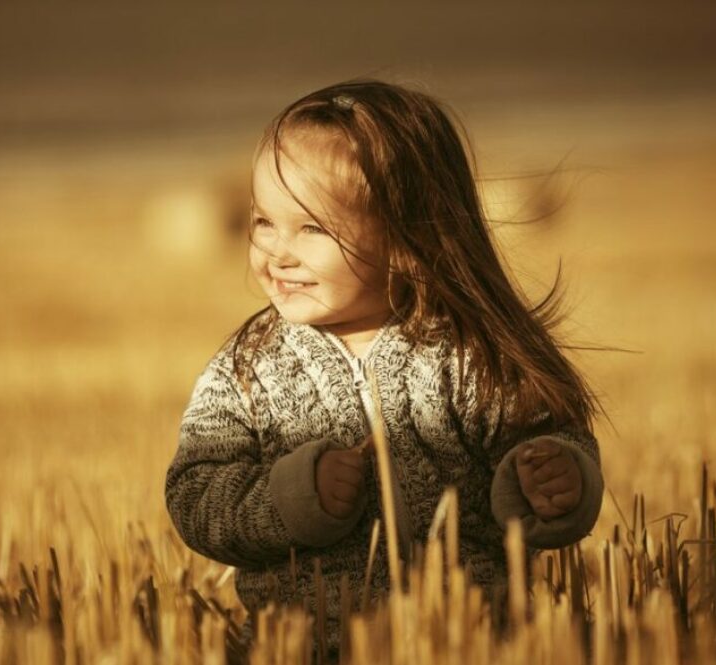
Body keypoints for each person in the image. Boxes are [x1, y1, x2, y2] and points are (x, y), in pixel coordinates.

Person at [164, 79, 604, 661]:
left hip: (468, 642)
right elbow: (195, 496)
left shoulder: (469, 353)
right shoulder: (247, 369)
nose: (277, 252)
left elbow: (549, 440)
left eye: (311, 228)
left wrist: (558, 481)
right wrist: (290, 498)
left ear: (405, 239)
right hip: (306, 648)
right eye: (264, 221)